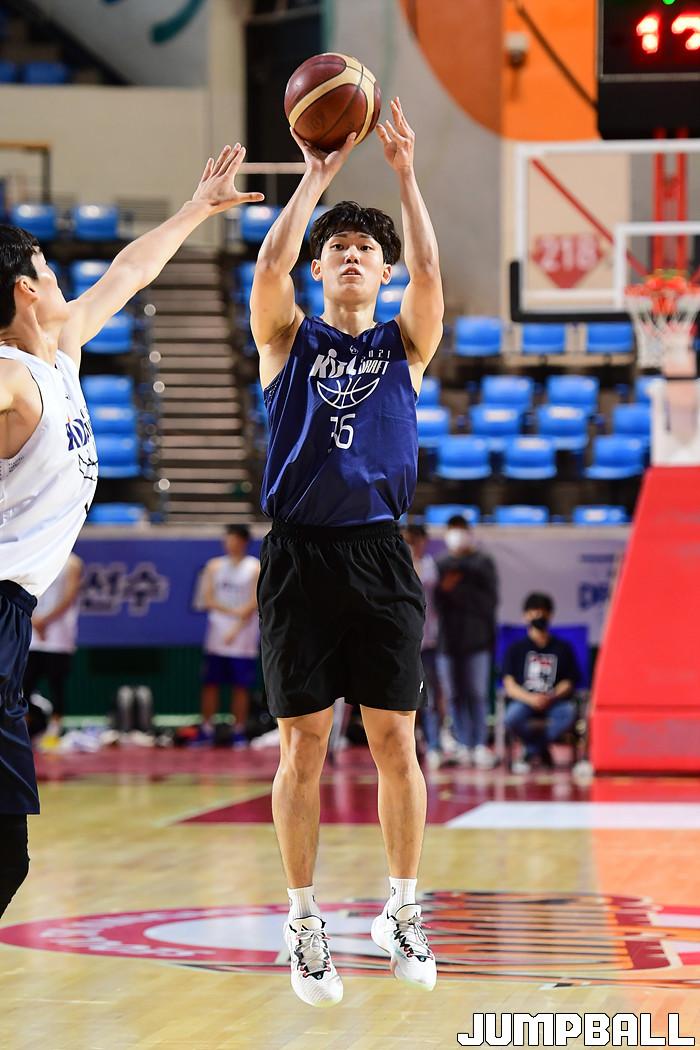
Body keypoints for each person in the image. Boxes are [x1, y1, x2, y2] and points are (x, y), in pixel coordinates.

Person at [0, 141, 263, 918]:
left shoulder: (62, 353)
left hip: (11, 617)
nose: (63, 279)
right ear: (24, 290)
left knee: (8, 857)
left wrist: (196, 210)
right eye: (50, 270)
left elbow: (129, 272)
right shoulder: (10, 375)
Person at [250, 97, 443, 1005]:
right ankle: (302, 922)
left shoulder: (408, 346)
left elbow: (431, 268)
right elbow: (269, 264)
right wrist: (314, 178)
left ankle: (402, 908)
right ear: (320, 268)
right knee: (305, 744)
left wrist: (406, 175)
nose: (353, 255)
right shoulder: (288, 338)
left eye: (366, 248)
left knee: (396, 737)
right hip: (299, 556)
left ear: (383, 269)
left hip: (379, 554)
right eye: (338, 248)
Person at [435, 515, 499, 769]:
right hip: (448, 642)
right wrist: (445, 590)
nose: (457, 536)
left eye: (461, 530)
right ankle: (462, 742)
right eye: (453, 530)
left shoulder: (483, 562)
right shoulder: (440, 564)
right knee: (453, 695)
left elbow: (490, 601)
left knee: (477, 693)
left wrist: (458, 590)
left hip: (477, 640)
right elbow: (434, 601)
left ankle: (479, 743)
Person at [503, 592, 580, 773]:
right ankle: (540, 749)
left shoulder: (563, 648)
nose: (538, 616)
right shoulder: (516, 649)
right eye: (533, 612)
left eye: (542, 611)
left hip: (554, 702)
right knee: (512, 717)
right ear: (525, 616)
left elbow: (569, 681)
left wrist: (551, 696)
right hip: (525, 701)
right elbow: (509, 684)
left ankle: (531, 750)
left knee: (569, 713)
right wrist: (531, 699)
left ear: (550, 615)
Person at [199, 525, 260, 746]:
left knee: (241, 687)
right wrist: (232, 614)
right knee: (210, 684)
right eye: (227, 539)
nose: (229, 543)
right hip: (217, 636)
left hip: (243, 638)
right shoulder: (214, 566)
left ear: (243, 541)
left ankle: (239, 731)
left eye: (233, 539)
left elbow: (254, 602)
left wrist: (236, 626)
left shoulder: (254, 567)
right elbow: (208, 599)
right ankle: (206, 730)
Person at [23, 552, 83, 740]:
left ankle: (54, 731)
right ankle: (24, 729)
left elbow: (69, 596)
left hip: (58, 636)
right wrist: (33, 619)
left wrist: (45, 620)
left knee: (57, 685)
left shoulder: (73, 563)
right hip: (32, 634)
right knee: (24, 685)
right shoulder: (35, 556)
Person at [403, 523, 444, 770]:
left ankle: (435, 745)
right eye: (407, 541)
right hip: (404, 645)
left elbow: (424, 583)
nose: (412, 546)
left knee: (431, 698)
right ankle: (411, 744)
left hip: (428, 643)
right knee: (407, 701)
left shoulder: (429, 565)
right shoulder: (396, 563)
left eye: (415, 541)